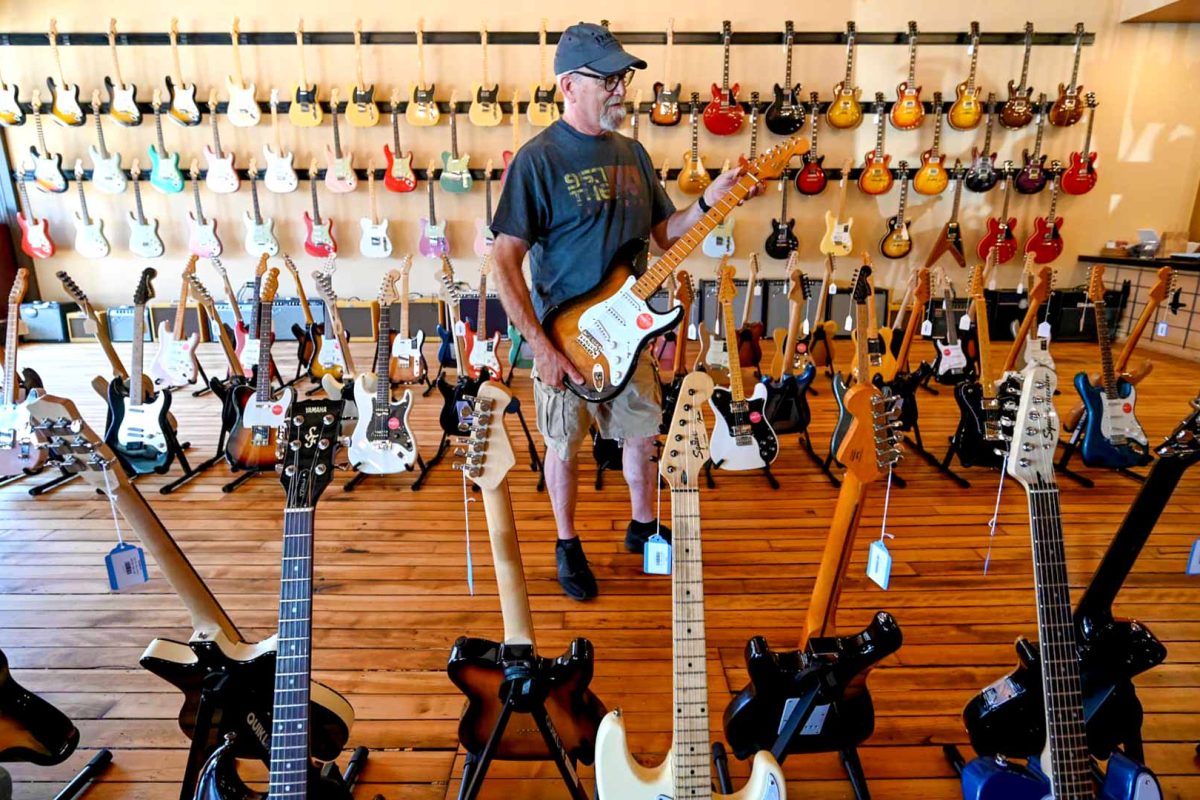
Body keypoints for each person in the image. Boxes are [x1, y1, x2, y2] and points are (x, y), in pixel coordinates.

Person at [490, 22, 758, 600]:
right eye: (607, 78)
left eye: (623, 78)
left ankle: (642, 525)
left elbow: (664, 234)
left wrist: (713, 200)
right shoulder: (537, 161)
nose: (620, 88)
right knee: (566, 445)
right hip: (567, 339)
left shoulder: (632, 153)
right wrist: (540, 345)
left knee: (640, 433)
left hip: (631, 328)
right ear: (568, 85)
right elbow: (504, 260)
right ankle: (567, 544)